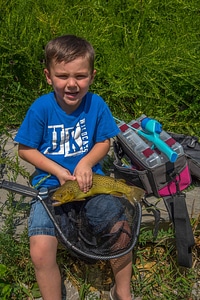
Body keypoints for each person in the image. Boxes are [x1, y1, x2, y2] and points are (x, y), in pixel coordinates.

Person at [14, 35, 134, 300]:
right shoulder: (41, 109)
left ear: (92, 76)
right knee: (40, 250)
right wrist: (57, 171)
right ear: (48, 76)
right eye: (62, 76)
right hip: (50, 187)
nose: (71, 84)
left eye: (80, 76)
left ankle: (122, 292)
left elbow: (104, 141)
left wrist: (86, 162)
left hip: (91, 183)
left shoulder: (96, 104)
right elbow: (25, 150)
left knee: (122, 231)